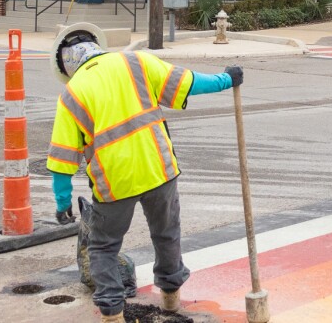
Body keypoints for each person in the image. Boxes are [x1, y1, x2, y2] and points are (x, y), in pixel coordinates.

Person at [45, 23, 243, 322]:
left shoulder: (72, 94)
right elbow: (188, 83)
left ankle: (112, 314)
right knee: (166, 235)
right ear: (96, 44)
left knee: (103, 248)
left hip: (114, 184)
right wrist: (226, 79)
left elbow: (62, 160)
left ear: (66, 65)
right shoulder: (135, 62)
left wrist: (62, 204)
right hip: (158, 170)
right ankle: (171, 299)